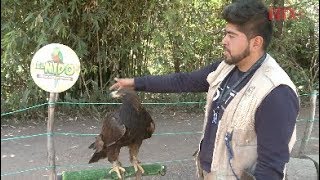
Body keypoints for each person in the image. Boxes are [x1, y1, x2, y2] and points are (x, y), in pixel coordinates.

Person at [109, 0, 299, 179]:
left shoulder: (275, 93)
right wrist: (135, 83)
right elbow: (183, 81)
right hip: (210, 172)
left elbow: (271, 168)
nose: (224, 40)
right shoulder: (225, 68)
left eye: (231, 35)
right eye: (225, 33)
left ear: (256, 42)